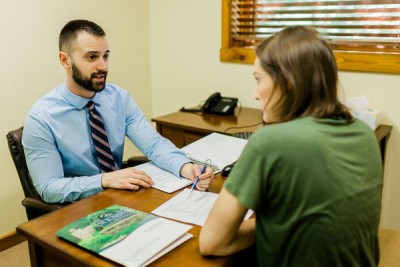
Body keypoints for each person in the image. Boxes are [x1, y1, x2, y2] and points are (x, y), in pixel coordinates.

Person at [199, 26, 383, 266]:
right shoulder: (363, 133)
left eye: (258, 80)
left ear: (287, 83)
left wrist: (267, 224)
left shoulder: (270, 141)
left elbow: (212, 242)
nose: (255, 94)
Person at [22, 19, 214, 204]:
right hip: (76, 208)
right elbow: (48, 188)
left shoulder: (118, 98)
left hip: (120, 197)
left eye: (106, 56)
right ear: (65, 60)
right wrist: (104, 180)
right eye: (92, 57)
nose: (103, 66)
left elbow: (153, 144)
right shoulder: (41, 118)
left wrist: (185, 167)